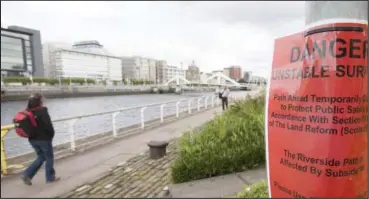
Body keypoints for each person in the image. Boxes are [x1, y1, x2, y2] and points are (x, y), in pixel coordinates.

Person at [20, 93, 60, 185]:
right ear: (39, 101)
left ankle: (27, 174)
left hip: (32, 139)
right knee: (49, 157)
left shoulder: (27, 111)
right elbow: (48, 125)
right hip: (44, 139)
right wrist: (51, 135)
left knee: (41, 157)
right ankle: (50, 178)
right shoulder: (42, 110)